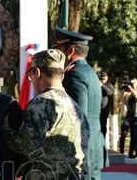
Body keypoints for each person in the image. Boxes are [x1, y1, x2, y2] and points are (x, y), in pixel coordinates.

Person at [6, 49, 89, 179]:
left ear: (37, 72)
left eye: (30, 75)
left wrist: (6, 130)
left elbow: (27, 144)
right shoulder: (74, 106)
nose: (31, 81)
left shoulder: (42, 103)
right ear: (61, 76)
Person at [52, 27, 107, 180]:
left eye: (59, 49)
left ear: (69, 51)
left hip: (82, 145)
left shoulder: (74, 74)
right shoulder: (89, 72)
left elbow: (77, 114)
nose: (58, 55)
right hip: (93, 141)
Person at [98, 71, 114, 138]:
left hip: (104, 109)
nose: (103, 79)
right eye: (101, 78)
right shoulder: (97, 84)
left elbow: (110, 93)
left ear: (107, 78)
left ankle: (102, 141)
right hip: (97, 109)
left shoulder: (109, 85)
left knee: (103, 126)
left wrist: (103, 86)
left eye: (104, 78)